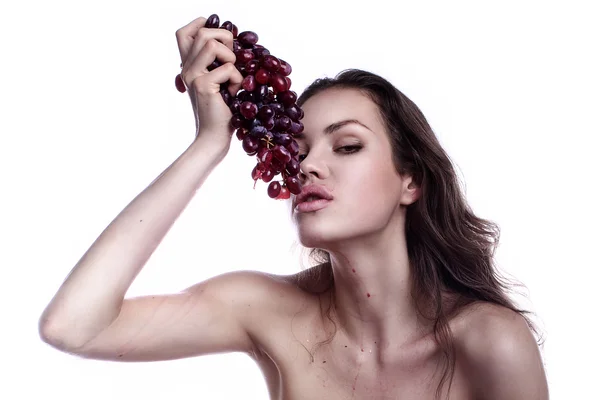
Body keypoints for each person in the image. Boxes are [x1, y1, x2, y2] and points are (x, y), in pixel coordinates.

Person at [38, 15, 549, 400]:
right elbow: (73, 327)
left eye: (346, 146)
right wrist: (208, 143)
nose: (307, 167)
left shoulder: (489, 341)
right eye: (296, 150)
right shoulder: (268, 312)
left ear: (410, 181)